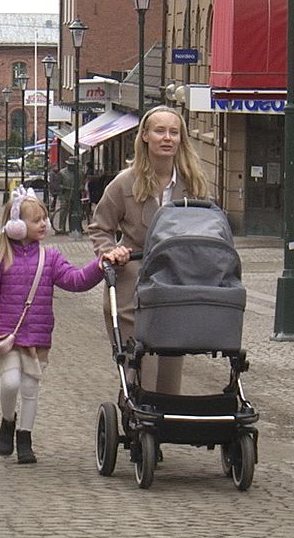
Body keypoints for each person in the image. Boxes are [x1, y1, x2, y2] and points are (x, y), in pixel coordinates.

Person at [0, 187, 123, 464]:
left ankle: (25, 437)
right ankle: (8, 420)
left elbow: (75, 281)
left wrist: (100, 266)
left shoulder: (50, 258)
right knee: (10, 382)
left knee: (30, 388)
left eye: (44, 218)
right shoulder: (0, 257)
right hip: (7, 334)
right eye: (36, 220)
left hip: (38, 336)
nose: (43, 224)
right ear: (16, 226)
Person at [88, 106, 209, 395]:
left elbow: (207, 225)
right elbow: (100, 227)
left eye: (173, 132)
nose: (166, 138)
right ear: (145, 136)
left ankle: (165, 417)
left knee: (169, 359)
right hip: (134, 279)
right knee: (140, 359)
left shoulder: (192, 183)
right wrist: (109, 253)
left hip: (176, 278)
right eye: (159, 131)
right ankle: (138, 408)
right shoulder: (125, 183)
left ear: (181, 139)